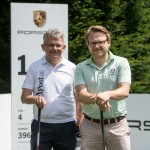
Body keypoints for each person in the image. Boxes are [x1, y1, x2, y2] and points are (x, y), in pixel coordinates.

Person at [21, 28, 82, 150]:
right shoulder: (34, 67)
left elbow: (79, 98)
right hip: (41, 125)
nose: (55, 48)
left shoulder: (73, 68)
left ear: (64, 47)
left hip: (67, 125)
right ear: (43, 47)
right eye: (50, 45)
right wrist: (34, 98)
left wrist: (80, 121)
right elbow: (24, 98)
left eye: (58, 45)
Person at [74, 25, 131, 150]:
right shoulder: (80, 67)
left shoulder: (121, 62)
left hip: (117, 125)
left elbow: (124, 91)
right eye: (92, 43)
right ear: (87, 44)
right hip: (90, 125)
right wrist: (100, 97)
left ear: (108, 42)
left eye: (100, 42)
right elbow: (81, 95)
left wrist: (108, 94)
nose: (96, 46)